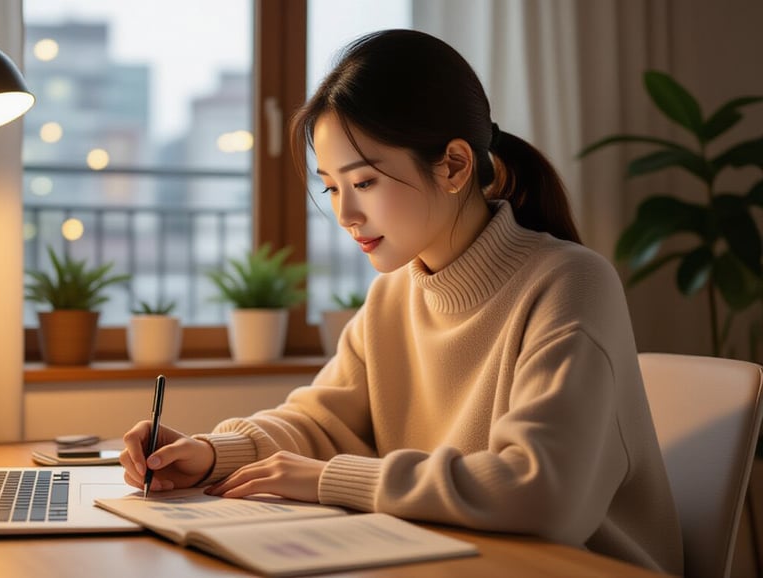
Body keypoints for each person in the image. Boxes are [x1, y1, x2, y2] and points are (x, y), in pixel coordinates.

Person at [119, 29, 682, 575]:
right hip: (449, 558)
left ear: (454, 165)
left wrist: (329, 480)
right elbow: (320, 421)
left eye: (364, 182)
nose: (345, 215)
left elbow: (541, 493)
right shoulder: (394, 294)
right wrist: (212, 453)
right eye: (331, 187)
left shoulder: (570, 283)